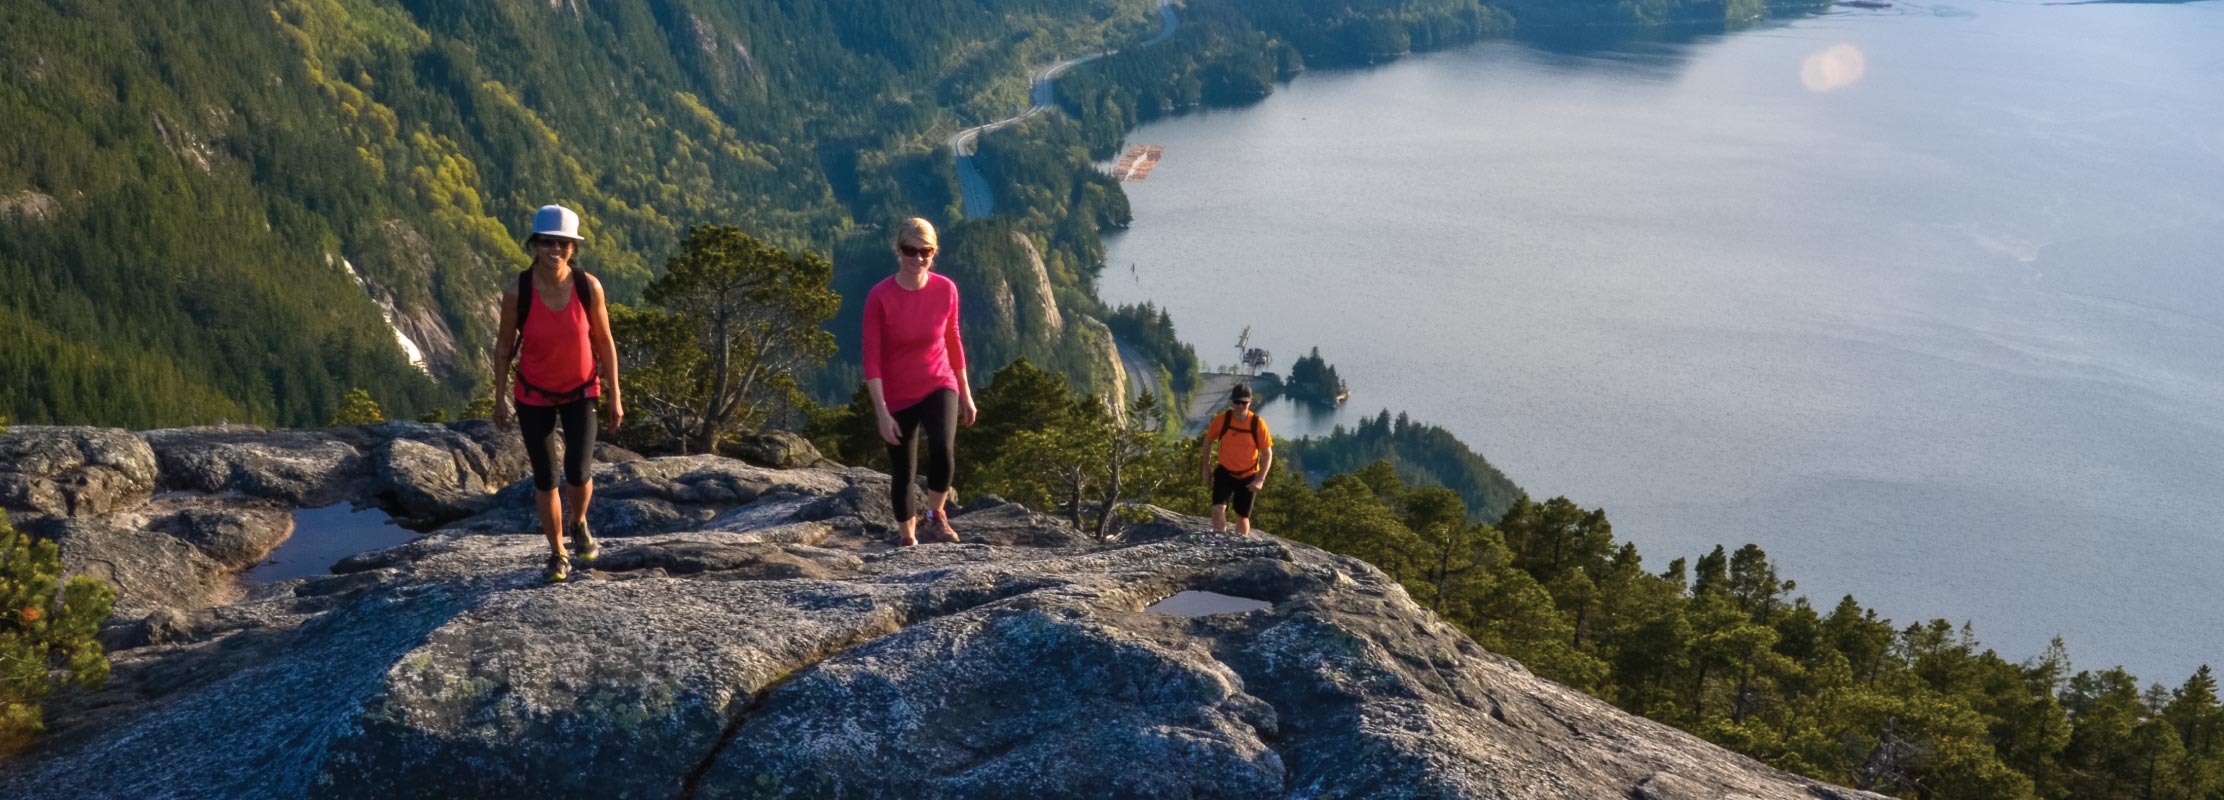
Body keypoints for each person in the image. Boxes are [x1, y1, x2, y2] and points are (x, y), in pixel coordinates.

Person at [493, 204, 622, 582]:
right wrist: (499, 398)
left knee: (578, 472)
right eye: (548, 242)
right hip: (533, 394)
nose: (556, 249)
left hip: (582, 391)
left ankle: (579, 522)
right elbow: (503, 347)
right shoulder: (518, 292)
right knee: (546, 478)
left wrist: (615, 395)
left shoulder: (587, 286)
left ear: (573, 248)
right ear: (534, 245)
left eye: (564, 243)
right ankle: (558, 552)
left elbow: (605, 342)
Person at [862, 217, 977, 547]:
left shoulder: (946, 290)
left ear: (934, 252)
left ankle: (936, 516)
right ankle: (907, 538)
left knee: (943, 448)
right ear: (898, 251)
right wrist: (882, 413)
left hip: (938, 382)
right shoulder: (880, 296)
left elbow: (953, 341)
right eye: (909, 250)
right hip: (897, 394)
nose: (917, 258)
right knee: (903, 471)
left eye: (925, 251)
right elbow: (871, 358)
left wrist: (966, 394)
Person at [1201, 383, 1272, 536]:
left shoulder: (1257, 424)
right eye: (1236, 402)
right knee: (1218, 508)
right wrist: (1205, 468)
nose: (1240, 406)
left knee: (1242, 517)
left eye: (1244, 402)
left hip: (1248, 475)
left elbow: (1267, 453)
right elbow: (1208, 441)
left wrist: (1260, 479)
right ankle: (1219, 542)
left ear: (1250, 402)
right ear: (1232, 402)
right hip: (1225, 471)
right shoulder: (1222, 420)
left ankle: (1239, 546)